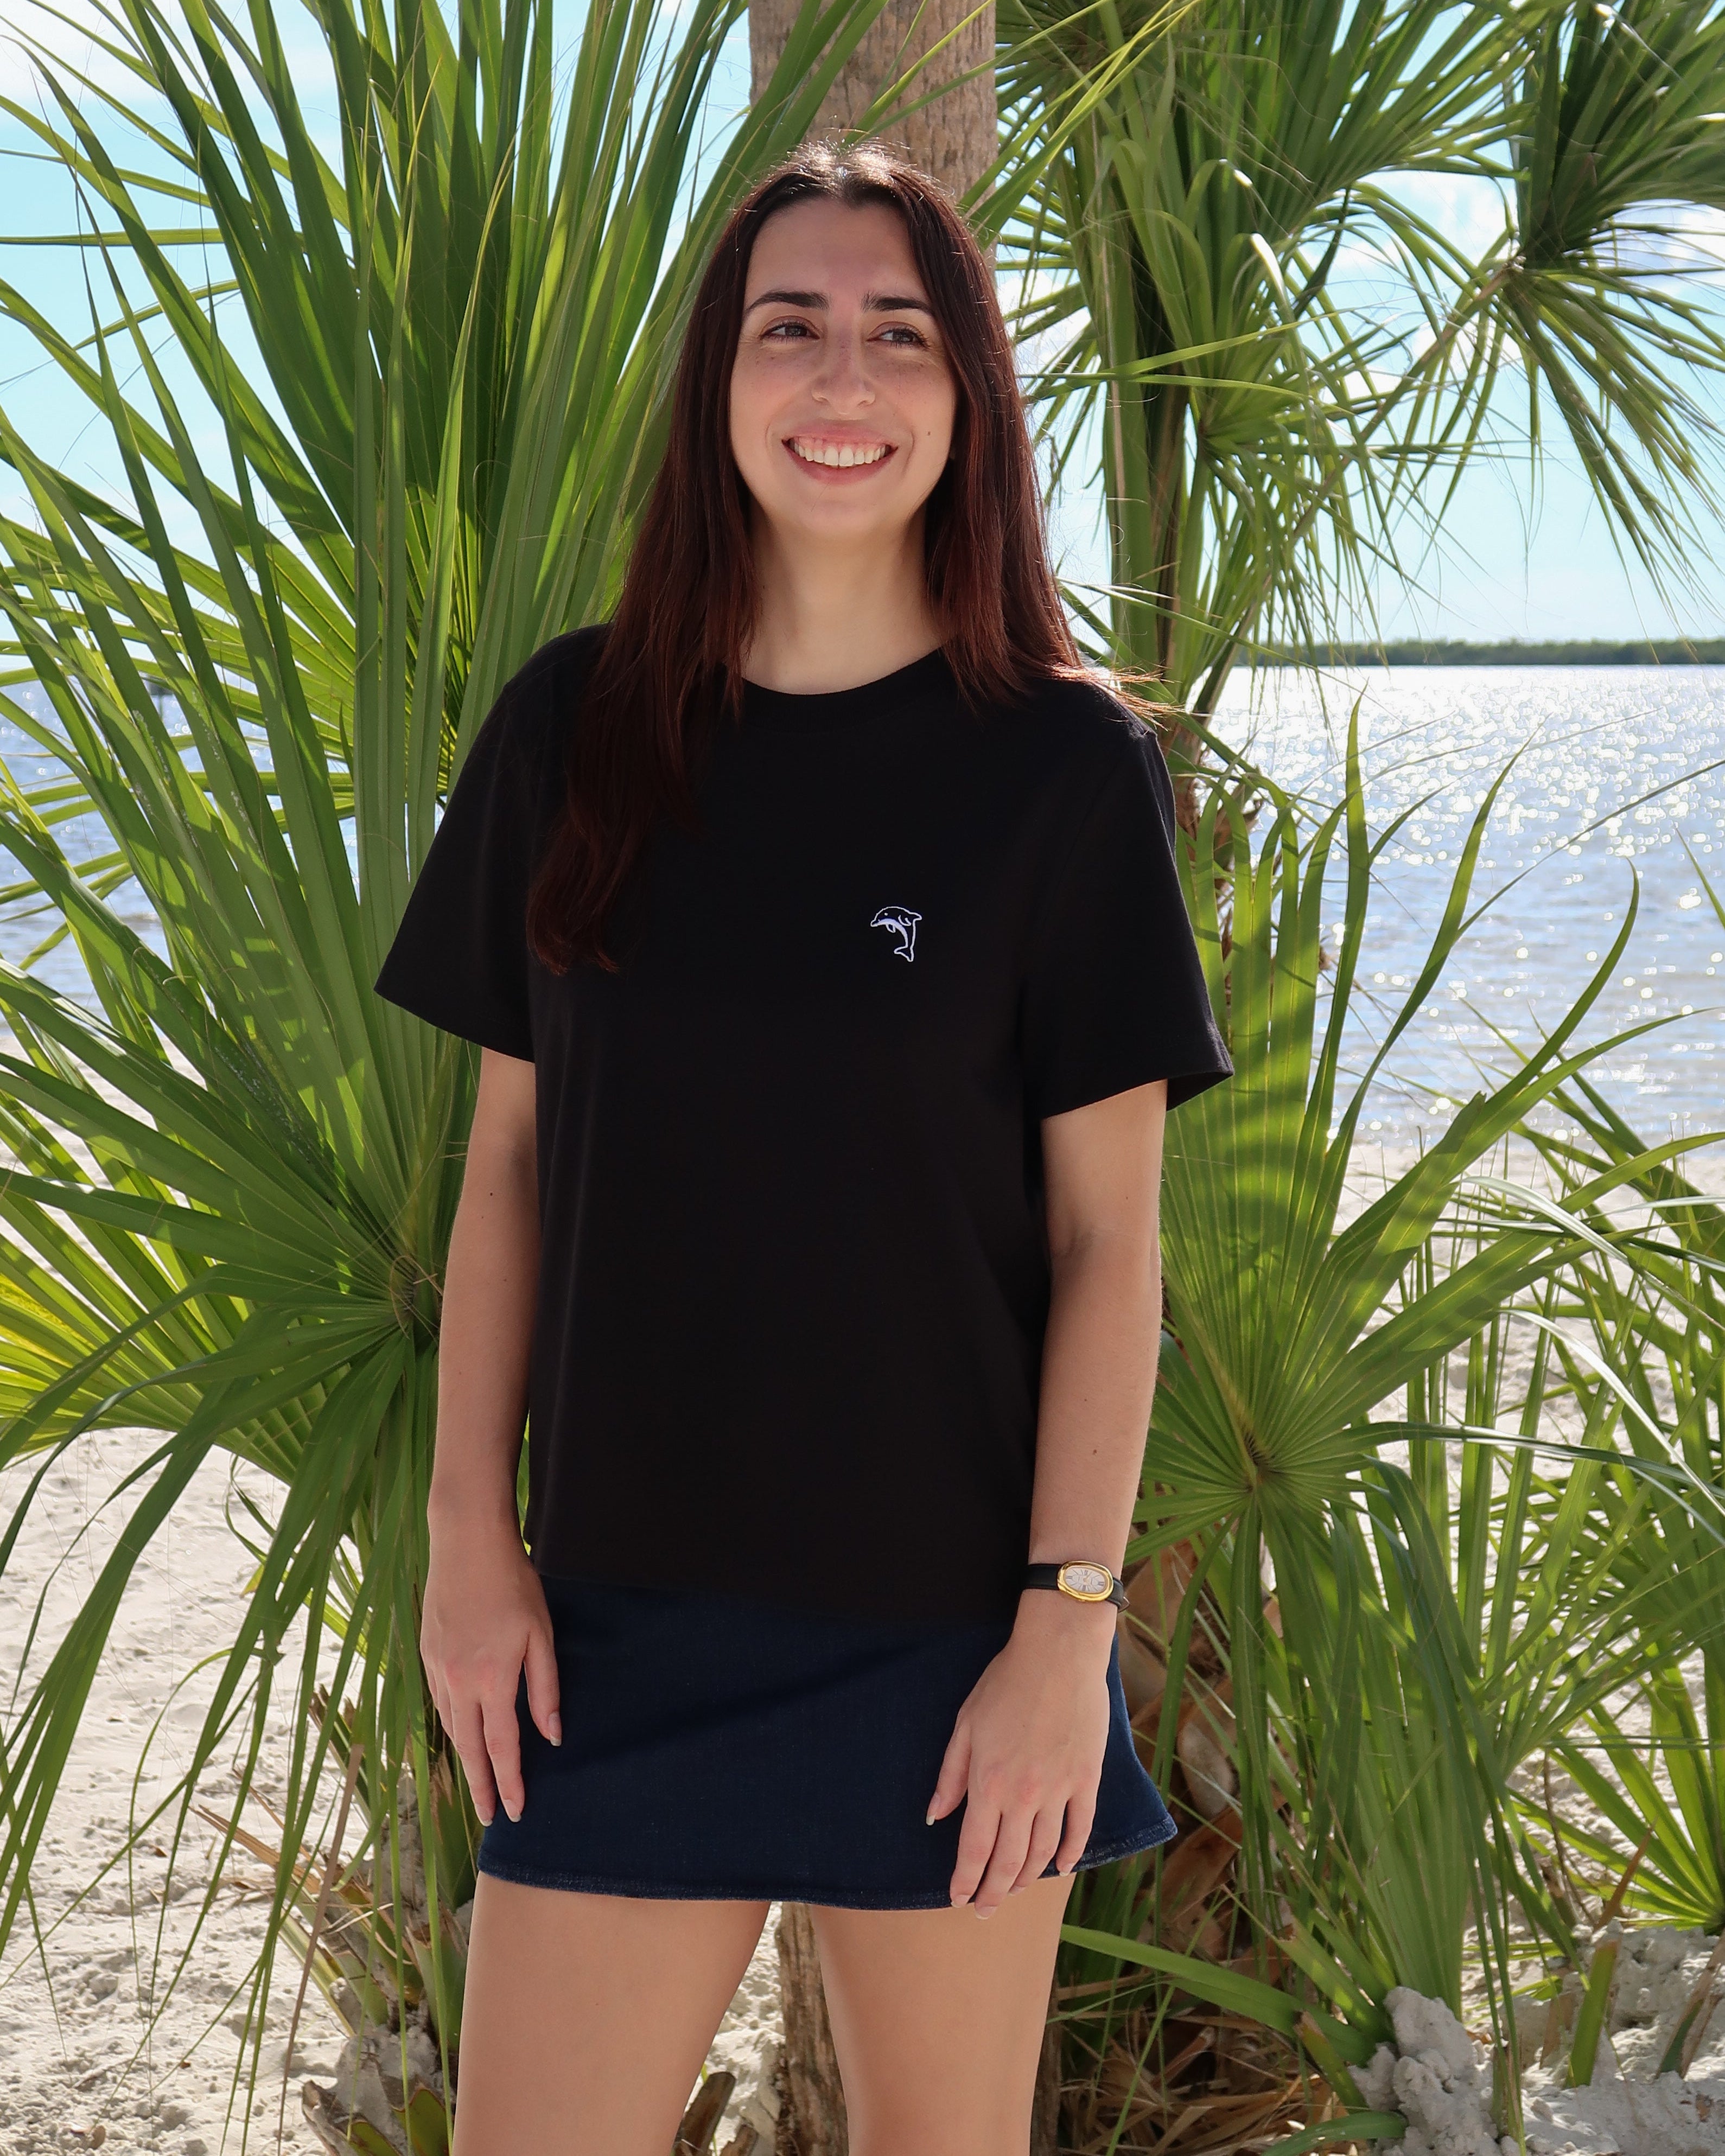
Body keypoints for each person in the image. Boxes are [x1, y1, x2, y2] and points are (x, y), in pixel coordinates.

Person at [374, 139, 1232, 2156]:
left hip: (955, 1647)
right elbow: (505, 1171)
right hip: (607, 1639)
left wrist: (1062, 1633)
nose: (840, 383)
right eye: (790, 329)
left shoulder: (1060, 772)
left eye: (895, 335)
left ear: (965, 399)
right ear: (720, 385)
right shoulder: (572, 734)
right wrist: (464, 1544)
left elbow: (1112, 1247)